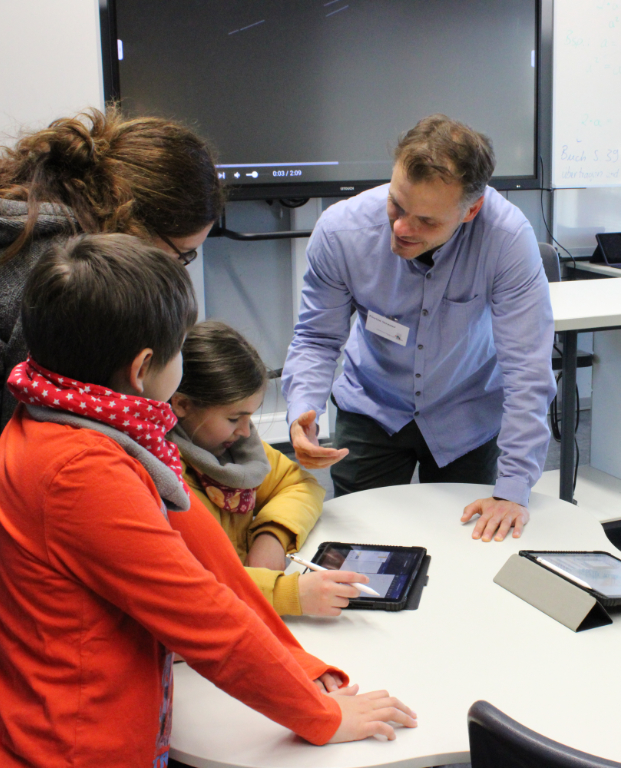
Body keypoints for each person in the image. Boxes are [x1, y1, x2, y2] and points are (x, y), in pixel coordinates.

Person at [0, 234, 416, 767]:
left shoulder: (69, 417)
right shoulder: (82, 471)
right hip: (79, 748)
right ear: (143, 367)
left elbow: (217, 570)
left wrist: (306, 671)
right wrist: (323, 717)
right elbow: (206, 621)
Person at [283, 114, 556, 543]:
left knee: (468, 546)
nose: (401, 228)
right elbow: (317, 338)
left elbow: (528, 368)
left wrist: (514, 488)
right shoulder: (342, 232)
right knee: (361, 542)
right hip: (373, 407)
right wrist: (303, 409)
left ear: (472, 210)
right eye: (396, 204)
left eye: (427, 221)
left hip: (464, 411)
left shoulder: (506, 240)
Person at [0, 105, 223, 432]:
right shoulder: (65, 281)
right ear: (138, 228)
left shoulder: (32, 221)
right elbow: (30, 438)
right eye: (182, 255)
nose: (180, 271)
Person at [169, 320, 363, 617]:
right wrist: (287, 593)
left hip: (246, 608)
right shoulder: (163, 479)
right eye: (234, 419)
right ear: (182, 405)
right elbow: (190, 587)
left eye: (250, 416)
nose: (247, 432)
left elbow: (300, 484)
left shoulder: (233, 447)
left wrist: (272, 535)